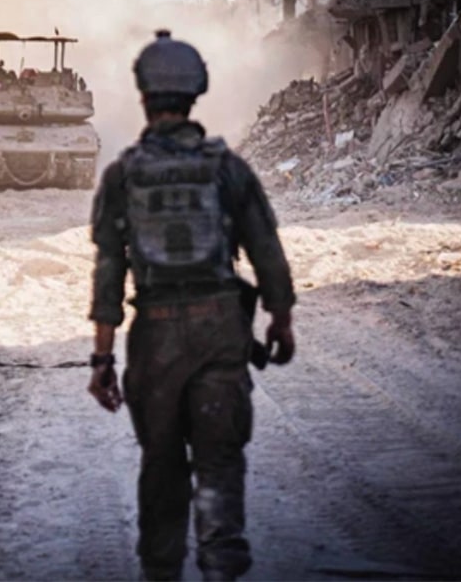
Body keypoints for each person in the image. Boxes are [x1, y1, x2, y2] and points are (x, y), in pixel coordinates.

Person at [86, 30, 296, 582]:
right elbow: (265, 248)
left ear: (143, 94)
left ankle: (161, 571)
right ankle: (221, 567)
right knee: (219, 466)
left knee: (161, 467)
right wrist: (281, 318)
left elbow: (109, 272)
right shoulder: (227, 168)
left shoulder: (122, 174)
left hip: (154, 339)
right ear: (196, 90)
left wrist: (102, 359)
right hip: (221, 331)